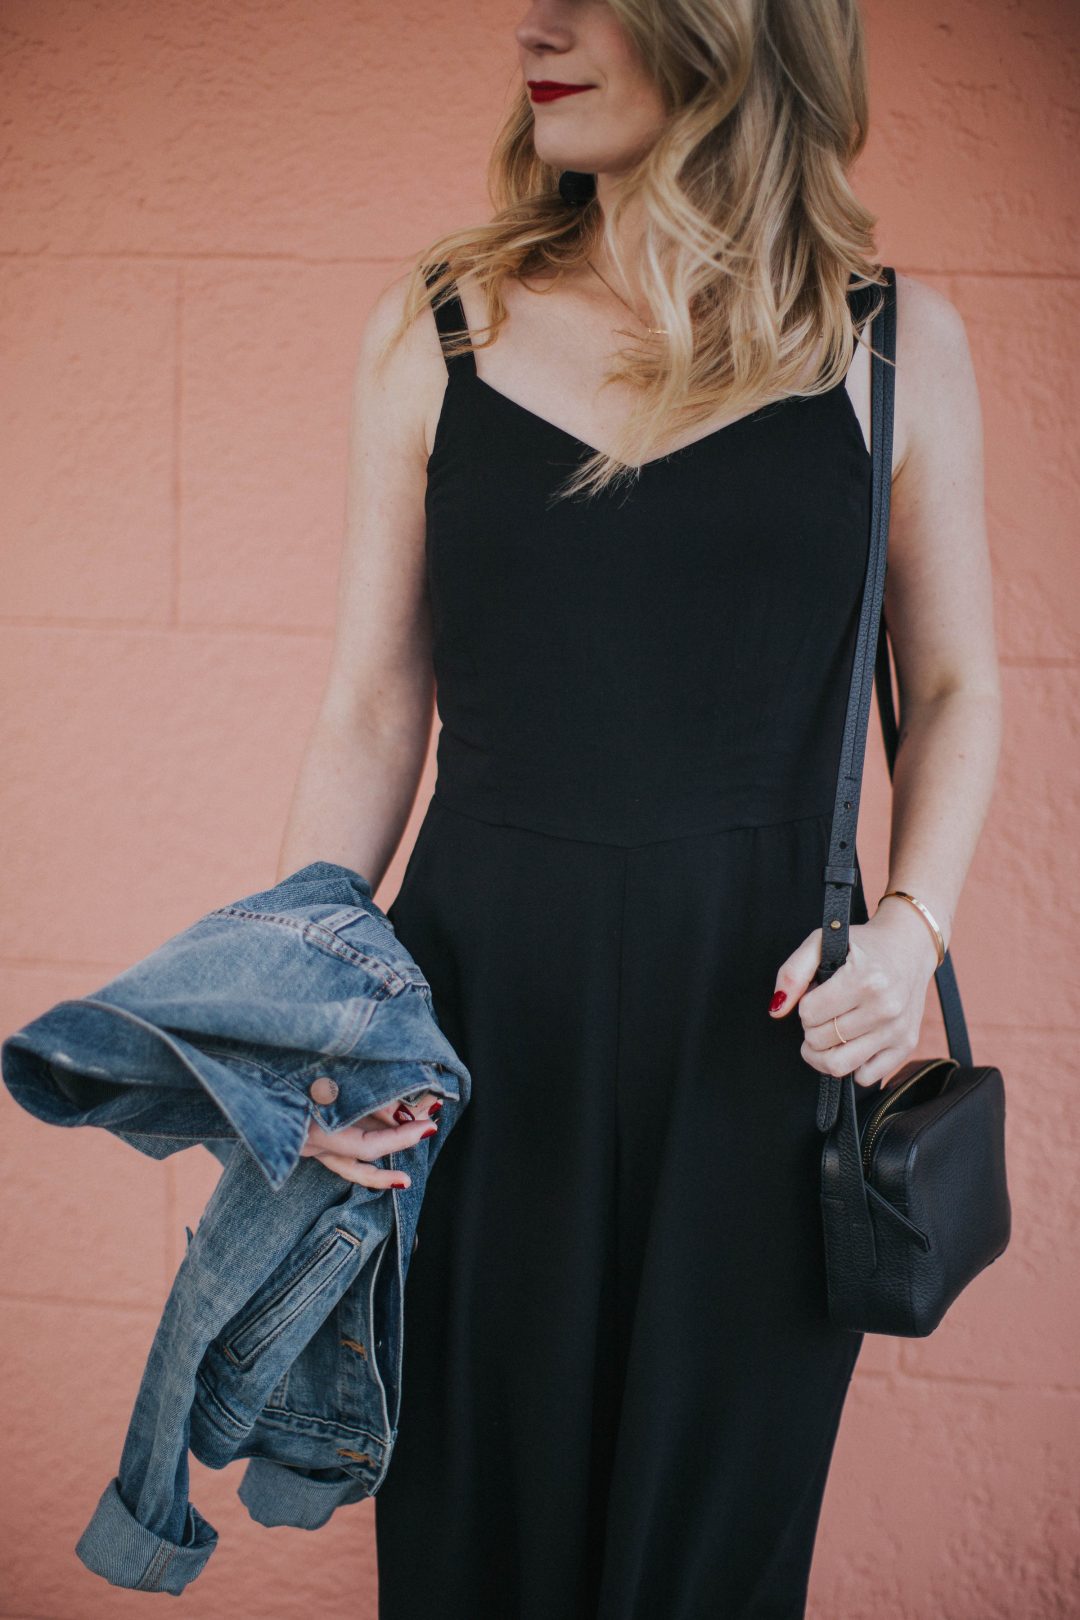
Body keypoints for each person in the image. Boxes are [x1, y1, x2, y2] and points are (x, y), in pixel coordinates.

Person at [275, 2, 1002, 1615]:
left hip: (768, 1057)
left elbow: (952, 687)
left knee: (707, 1574)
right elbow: (373, 704)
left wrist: (912, 930)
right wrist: (310, 1010)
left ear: (738, 31)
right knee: (471, 1552)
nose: (537, 24)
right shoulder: (439, 323)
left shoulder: (894, 346)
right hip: (471, 1042)